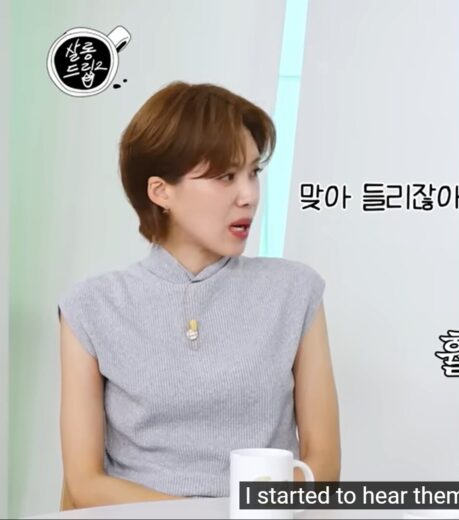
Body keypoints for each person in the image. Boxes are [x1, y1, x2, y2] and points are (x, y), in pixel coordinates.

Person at [58, 82, 340, 508]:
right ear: (161, 192)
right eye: (226, 176)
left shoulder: (295, 291)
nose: (249, 196)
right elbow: (84, 483)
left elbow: (324, 466)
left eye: (253, 173)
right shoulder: (92, 307)